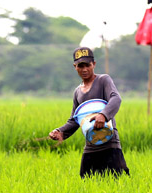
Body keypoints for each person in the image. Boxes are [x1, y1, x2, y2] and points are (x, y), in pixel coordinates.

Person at [49, 47, 130, 178]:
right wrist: (60, 132)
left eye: (88, 65)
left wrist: (103, 115)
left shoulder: (103, 80)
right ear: (75, 67)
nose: (84, 69)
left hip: (110, 142)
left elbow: (116, 98)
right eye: (80, 66)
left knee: (119, 181)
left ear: (94, 64)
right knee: (87, 182)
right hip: (91, 144)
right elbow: (75, 119)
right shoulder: (77, 92)